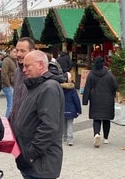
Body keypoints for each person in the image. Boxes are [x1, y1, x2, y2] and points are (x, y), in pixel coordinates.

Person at [15, 50, 64, 179]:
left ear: (40, 65)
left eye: (27, 66)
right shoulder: (37, 85)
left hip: (41, 163)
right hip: (32, 161)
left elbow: (49, 126)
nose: (24, 69)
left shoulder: (49, 88)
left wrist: (31, 153)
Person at [82, 56, 118, 148]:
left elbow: (87, 88)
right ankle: (106, 138)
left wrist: (85, 101)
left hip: (95, 99)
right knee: (106, 119)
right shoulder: (109, 74)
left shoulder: (91, 74)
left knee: (96, 119)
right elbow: (115, 85)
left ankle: (97, 134)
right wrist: (111, 93)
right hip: (108, 100)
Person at [9, 37, 35, 132]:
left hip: (30, 132)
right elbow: (16, 101)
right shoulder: (17, 72)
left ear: (32, 51)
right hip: (17, 129)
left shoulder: (37, 73)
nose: (19, 54)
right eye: (17, 51)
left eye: (23, 51)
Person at [61, 72, 82, 146]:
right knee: (70, 124)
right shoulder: (72, 89)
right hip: (71, 110)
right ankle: (70, 139)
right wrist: (79, 110)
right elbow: (76, 100)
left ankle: (64, 137)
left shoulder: (60, 88)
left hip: (62, 110)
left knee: (63, 124)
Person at [0, 47, 17, 118]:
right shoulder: (7, 60)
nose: (16, 53)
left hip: (13, 85)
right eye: (14, 52)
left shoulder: (15, 61)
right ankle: (7, 121)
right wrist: (8, 85)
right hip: (8, 86)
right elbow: (4, 73)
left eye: (17, 52)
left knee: (12, 105)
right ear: (10, 52)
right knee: (11, 105)